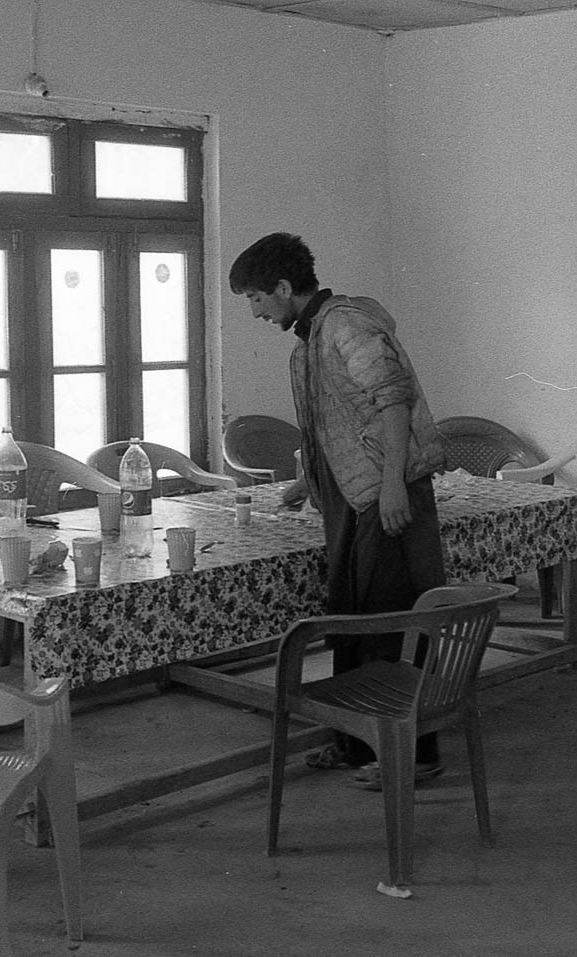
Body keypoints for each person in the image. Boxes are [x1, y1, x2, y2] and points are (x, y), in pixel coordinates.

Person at [229, 232, 448, 790]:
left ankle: (415, 755)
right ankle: (355, 744)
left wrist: (395, 486)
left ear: (283, 287)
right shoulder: (310, 339)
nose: (255, 312)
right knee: (350, 618)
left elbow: (392, 402)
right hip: (350, 499)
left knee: (389, 622)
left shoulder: (347, 325)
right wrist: (306, 483)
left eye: (256, 298)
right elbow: (336, 425)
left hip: (386, 497)